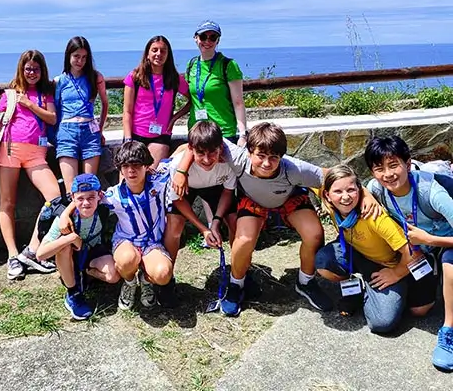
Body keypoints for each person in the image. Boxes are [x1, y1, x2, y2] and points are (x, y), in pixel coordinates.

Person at [173, 122, 381, 317]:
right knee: (243, 240)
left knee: (315, 233)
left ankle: (306, 282)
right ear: (249, 151)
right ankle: (237, 284)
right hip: (253, 201)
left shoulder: (294, 168)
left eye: (273, 157)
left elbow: (332, 175)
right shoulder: (235, 156)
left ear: (282, 156)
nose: (266, 163)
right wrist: (181, 170)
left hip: (288, 198)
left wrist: (366, 193)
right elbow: (200, 140)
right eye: (261, 155)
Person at [365, 135, 453, 372]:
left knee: (450, 263)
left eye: (394, 165)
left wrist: (430, 239)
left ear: (408, 162)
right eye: (379, 168)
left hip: (445, 242)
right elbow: (357, 191)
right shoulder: (376, 189)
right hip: (418, 252)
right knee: (419, 311)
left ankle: (448, 331)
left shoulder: (430, 191)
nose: (388, 174)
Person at [315, 164, 432, 333]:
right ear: (327, 194)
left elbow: (412, 253)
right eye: (338, 192)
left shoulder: (374, 216)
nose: (345, 197)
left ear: (359, 190)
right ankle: (356, 289)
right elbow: (308, 170)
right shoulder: (331, 202)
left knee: (382, 323)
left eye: (351, 190)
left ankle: (387, 287)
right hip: (358, 253)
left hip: (390, 264)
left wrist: (396, 274)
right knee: (323, 262)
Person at [0, 50, 60, 280]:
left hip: (36, 155)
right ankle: (12, 256)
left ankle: (31, 251)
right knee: (7, 203)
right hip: (9, 152)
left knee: (55, 197)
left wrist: (29, 104)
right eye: (28, 68)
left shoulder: (45, 94)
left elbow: (51, 118)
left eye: (36, 68)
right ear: (21, 69)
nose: (31, 72)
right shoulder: (10, 94)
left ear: (42, 71)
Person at [161, 121, 235, 305]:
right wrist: (204, 229)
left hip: (217, 186)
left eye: (213, 153)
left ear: (221, 148)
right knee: (174, 227)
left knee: (235, 222)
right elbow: (178, 199)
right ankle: (166, 280)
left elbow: (228, 192)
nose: (207, 159)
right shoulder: (178, 165)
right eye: (201, 153)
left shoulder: (230, 160)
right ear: (191, 150)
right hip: (186, 187)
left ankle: (238, 277)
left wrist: (216, 221)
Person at [36, 174, 119, 320]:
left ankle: (86, 273)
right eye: (80, 199)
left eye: (91, 198)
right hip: (70, 255)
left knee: (113, 276)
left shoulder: (103, 208)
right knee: (64, 247)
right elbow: (40, 254)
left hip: (91, 250)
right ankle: (73, 293)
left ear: (99, 196)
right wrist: (71, 238)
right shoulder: (64, 219)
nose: (86, 203)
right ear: (73, 198)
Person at [103, 141, 172, 311]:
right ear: (120, 168)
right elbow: (86, 197)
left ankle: (146, 280)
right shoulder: (113, 195)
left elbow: (186, 150)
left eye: (136, 165)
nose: (131, 170)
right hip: (126, 241)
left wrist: (182, 173)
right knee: (126, 260)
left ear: (146, 165)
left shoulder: (159, 182)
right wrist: (66, 214)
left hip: (152, 243)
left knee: (163, 274)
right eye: (125, 166)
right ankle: (129, 282)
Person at [122, 35, 190, 168]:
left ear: (168, 55)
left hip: (161, 135)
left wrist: (174, 118)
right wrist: (128, 139)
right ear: (147, 54)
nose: (159, 54)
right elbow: (127, 111)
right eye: (154, 50)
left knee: (152, 178)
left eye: (163, 51)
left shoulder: (174, 79)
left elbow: (192, 101)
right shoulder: (135, 77)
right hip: (136, 134)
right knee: (128, 180)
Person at [55, 37, 109, 192]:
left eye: (84, 57)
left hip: (89, 132)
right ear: (68, 56)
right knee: (71, 188)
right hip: (67, 132)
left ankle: (90, 217)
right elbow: (56, 110)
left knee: (89, 186)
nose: (80, 61)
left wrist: (100, 129)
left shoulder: (95, 77)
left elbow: (105, 103)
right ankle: (71, 217)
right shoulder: (59, 81)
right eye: (76, 56)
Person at [186, 21, 247, 144]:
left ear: (218, 40)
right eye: (203, 37)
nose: (207, 41)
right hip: (197, 132)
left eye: (212, 37)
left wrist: (242, 134)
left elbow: (238, 102)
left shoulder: (228, 65)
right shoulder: (192, 64)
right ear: (195, 38)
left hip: (223, 132)